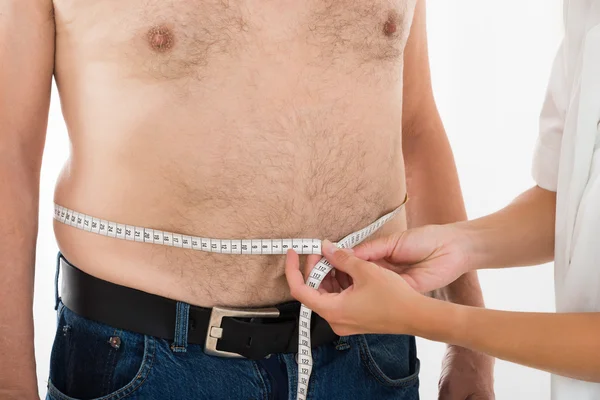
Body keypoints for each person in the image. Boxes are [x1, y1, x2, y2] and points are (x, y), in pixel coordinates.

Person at [0, 0, 494, 399]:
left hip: (371, 351)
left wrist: (472, 343)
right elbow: (10, 162)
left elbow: (415, 130)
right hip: (142, 363)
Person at [285, 1, 600, 399]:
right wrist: (461, 244)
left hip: (370, 349)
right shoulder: (587, 14)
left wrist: (443, 325)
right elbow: (567, 200)